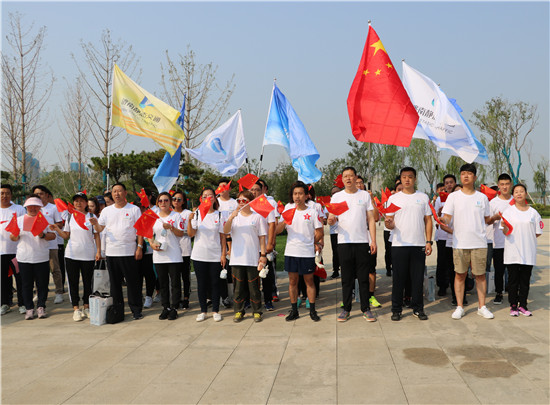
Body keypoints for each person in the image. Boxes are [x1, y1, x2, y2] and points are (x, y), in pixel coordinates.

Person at [440, 164, 494, 320]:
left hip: (479, 243)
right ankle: (459, 307)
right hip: (460, 243)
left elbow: (486, 219)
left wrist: (495, 218)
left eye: (469, 174)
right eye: (463, 173)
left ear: (474, 177)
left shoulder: (482, 198)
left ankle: (482, 307)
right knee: (460, 275)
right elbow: (447, 217)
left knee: (480, 276)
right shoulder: (453, 197)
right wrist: (443, 220)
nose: (465, 176)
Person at [327, 167, 377, 322]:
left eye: (351, 176)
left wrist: (373, 240)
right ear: (342, 179)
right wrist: (331, 220)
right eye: (345, 176)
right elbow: (331, 217)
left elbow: (371, 219)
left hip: (362, 242)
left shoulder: (364, 195)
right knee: (346, 278)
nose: (348, 178)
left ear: (356, 178)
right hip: (344, 242)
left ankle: (366, 309)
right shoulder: (337, 197)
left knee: (363, 278)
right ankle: (346, 309)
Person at [90, 183, 144, 321]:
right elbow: (100, 229)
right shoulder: (107, 211)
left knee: (132, 283)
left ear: (125, 193)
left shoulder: (134, 209)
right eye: (114, 191)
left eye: (119, 191)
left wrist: (139, 247)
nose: (117, 194)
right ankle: (118, 310)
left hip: (128, 252)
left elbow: (140, 230)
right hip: (112, 253)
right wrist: (95, 223)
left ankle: (136, 309)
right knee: (114, 285)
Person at [384, 167, 432, 321]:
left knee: (417, 279)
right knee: (399, 279)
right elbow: (389, 223)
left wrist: (428, 241)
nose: (407, 180)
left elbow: (428, 220)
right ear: (400, 179)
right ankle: (396, 309)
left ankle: (418, 308)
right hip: (399, 244)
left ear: (415, 179)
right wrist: (388, 223)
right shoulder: (394, 198)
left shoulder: (423, 197)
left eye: (410, 177)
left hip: (418, 244)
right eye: (404, 177)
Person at [49, 192, 101, 321]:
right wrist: (57, 229)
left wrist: (98, 251)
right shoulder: (70, 217)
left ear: (86, 203)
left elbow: (97, 235)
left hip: (88, 254)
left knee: (88, 282)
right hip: (71, 255)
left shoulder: (91, 216)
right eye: (76, 201)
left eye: (81, 201)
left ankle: (86, 306)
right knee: (73, 282)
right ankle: (76, 308)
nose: (78, 203)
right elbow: (66, 235)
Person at [277, 181, 324, 321]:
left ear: (306, 195)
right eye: (295, 194)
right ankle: (294, 311)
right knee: (293, 282)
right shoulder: (287, 210)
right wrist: (284, 221)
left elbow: (320, 231)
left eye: (300, 193)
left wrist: (311, 242)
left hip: (307, 252)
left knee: (309, 281)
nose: (297, 196)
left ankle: (313, 311)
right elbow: (278, 231)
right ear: (292, 195)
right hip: (291, 251)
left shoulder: (312, 211)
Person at [223, 190, 268, 322]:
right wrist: (231, 218)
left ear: (251, 202)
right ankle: (238, 311)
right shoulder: (234, 217)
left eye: (244, 200)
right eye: (239, 200)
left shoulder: (257, 217)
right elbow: (225, 231)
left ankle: (257, 311)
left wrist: (263, 255)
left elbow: (262, 238)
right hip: (237, 258)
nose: (241, 203)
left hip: (252, 258)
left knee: (254, 288)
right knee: (238, 288)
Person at [10, 195, 56, 319]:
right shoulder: (19, 220)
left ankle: (41, 307)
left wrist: (43, 235)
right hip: (24, 257)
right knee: (26, 285)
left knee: (42, 284)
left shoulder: (45, 219)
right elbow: (12, 237)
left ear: (40, 207)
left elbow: (53, 236)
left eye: (36, 206)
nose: (33, 208)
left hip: (41, 257)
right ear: (26, 207)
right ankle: (29, 308)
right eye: (30, 206)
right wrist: (16, 235)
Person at [500, 184, 543, 317]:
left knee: (525, 281)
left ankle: (523, 305)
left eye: (522, 191)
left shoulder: (533, 213)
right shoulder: (508, 211)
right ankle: (513, 305)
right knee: (513, 281)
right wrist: (503, 226)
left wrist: (526, 239)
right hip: (513, 252)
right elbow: (505, 232)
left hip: (528, 252)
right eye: (516, 192)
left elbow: (537, 232)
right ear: (513, 195)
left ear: (526, 193)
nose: (519, 194)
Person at [188, 187, 227, 322]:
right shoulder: (197, 214)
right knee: (202, 284)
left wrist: (223, 254)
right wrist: (189, 221)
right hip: (199, 255)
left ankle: (215, 310)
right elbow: (191, 234)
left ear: (215, 198)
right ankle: (203, 311)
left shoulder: (219, 215)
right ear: (201, 199)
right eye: (204, 196)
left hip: (215, 255)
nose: (207, 198)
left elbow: (223, 237)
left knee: (215, 283)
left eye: (210, 196)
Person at [147, 192, 184, 321]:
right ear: (157, 203)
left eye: (166, 200)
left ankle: (174, 308)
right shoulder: (154, 216)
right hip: (159, 255)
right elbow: (149, 233)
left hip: (174, 255)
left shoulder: (176, 216)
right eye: (160, 201)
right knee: (162, 283)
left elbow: (181, 233)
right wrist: (151, 243)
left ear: (170, 202)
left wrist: (171, 228)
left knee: (175, 283)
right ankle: (165, 307)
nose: (163, 203)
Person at [32, 185, 64, 304]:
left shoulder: (53, 208)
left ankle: (59, 292)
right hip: (37, 244)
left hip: (51, 243)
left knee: (55, 269)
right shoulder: (32, 208)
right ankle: (39, 292)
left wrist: (52, 226)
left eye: (41, 194)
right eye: (36, 194)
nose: (39, 196)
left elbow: (60, 223)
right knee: (37, 270)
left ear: (46, 195)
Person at [249, 181, 277, 311]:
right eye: (252, 190)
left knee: (266, 275)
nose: (254, 192)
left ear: (262, 191)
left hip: (263, 247)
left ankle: (268, 300)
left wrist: (270, 243)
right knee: (251, 276)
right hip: (250, 247)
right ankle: (251, 300)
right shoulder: (246, 206)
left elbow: (272, 224)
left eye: (257, 190)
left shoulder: (265, 205)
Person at [486, 174, 514, 305]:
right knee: (499, 270)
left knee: (514, 270)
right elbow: (487, 221)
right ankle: (499, 293)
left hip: (514, 242)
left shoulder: (515, 201)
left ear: (511, 185)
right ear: (498, 186)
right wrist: (495, 218)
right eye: (502, 184)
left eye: (507, 184)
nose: (505, 187)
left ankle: (513, 294)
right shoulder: (493, 203)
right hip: (499, 242)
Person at [1, 184, 26, 315]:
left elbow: (25, 226)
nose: (4, 196)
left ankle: (22, 303)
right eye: (2, 193)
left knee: (20, 278)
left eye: (7, 193)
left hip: (17, 251)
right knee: (3, 280)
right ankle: (4, 303)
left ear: (11, 195)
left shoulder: (19, 209)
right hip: (1, 252)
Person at [434, 174, 457, 297]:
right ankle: (442, 285)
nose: (449, 185)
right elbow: (436, 219)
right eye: (446, 183)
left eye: (451, 182)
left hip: (456, 235)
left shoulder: (458, 198)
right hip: (443, 235)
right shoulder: (439, 199)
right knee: (442, 262)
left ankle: (456, 287)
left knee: (455, 263)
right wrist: (439, 213)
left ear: (455, 183)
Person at [217, 178, 237, 309]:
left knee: (231, 271)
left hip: (233, 240)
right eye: (220, 187)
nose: (222, 189)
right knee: (221, 271)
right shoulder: (216, 203)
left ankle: (233, 296)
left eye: (225, 186)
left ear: (229, 188)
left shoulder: (234, 203)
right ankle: (223, 297)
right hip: (218, 241)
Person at [172, 190, 192, 309]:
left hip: (185, 248)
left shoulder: (188, 213)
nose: (176, 201)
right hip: (172, 249)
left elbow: (191, 231)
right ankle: (177, 298)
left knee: (185, 276)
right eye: (174, 199)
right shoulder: (169, 213)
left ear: (183, 201)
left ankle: (186, 298)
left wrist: (180, 232)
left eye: (179, 199)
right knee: (175, 277)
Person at [329, 186, 341, 279]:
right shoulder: (329, 205)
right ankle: (336, 270)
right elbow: (327, 219)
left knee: (344, 253)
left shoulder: (344, 203)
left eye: (337, 192)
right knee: (335, 252)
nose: (335, 194)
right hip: (334, 232)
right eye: (333, 193)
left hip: (344, 232)